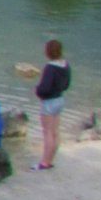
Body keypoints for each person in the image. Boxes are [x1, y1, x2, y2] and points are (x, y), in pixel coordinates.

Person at [32, 39, 71, 170]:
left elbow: (45, 88)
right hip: (60, 99)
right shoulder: (65, 65)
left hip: (49, 102)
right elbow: (66, 85)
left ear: (48, 51)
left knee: (47, 132)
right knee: (55, 132)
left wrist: (37, 91)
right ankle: (50, 160)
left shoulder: (50, 67)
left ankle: (44, 162)